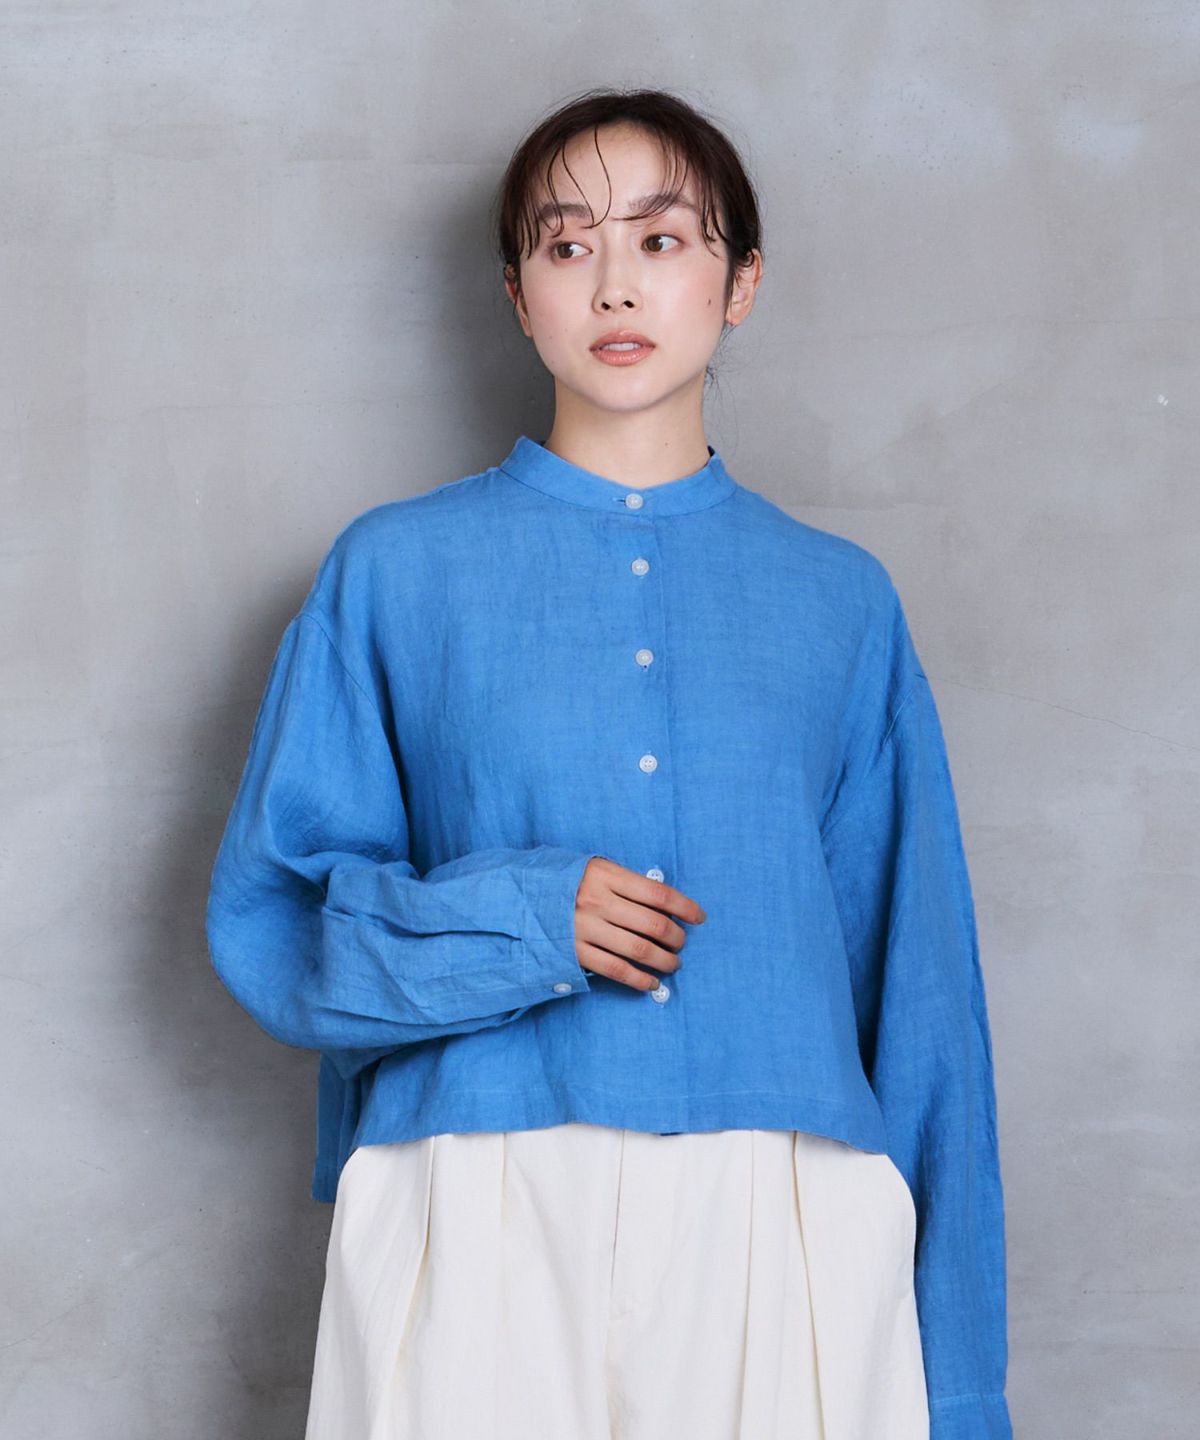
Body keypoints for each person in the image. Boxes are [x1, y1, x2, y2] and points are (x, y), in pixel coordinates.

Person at [206, 86, 1012, 1440]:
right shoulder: (393, 573)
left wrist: (966, 1385)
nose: (614, 283)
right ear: (518, 294)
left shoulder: (842, 603)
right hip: (475, 1202)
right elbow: (276, 923)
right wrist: (522, 920)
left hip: (787, 1213)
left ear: (741, 281)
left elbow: (925, 1006)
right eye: (568, 244)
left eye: (663, 239)